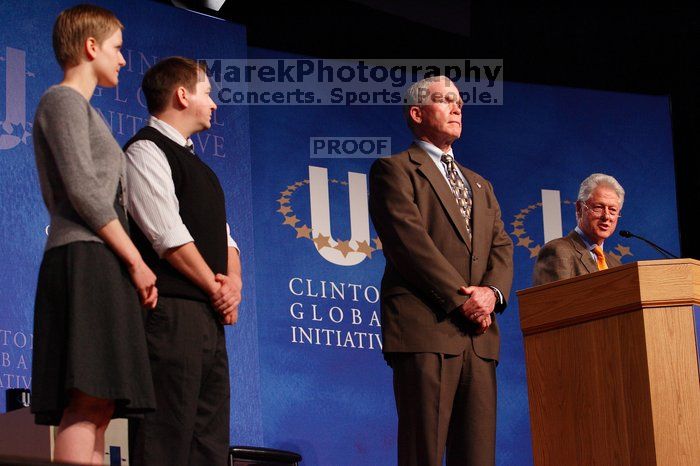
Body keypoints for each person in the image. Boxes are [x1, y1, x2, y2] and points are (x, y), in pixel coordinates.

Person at [31, 4, 158, 465]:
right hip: (83, 258)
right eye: (117, 48)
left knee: (102, 405)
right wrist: (137, 261)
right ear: (90, 47)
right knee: (85, 399)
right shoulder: (61, 100)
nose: (124, 59)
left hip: (102, 258)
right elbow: (84, 191)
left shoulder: (83, 110)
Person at [368, 76, 514, 466]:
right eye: (444, 100)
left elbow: (501, 246)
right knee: (425, 453)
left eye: (459, 102)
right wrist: (461, 300)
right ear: (416, 113)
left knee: (478, 456)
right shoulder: (394, 169)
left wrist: (491, 295)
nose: (456, 107)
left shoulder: (481, 185)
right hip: (426, 329)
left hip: (479, 340)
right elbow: (410, 245)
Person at [124, 56, 242, 466]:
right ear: (182, 94)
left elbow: (228, 240)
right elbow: (168, 238)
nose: (214, 104)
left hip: (208, 320)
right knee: (165, 438)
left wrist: (234, 287)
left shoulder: (203, 171)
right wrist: (216, 289)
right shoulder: (145, 151)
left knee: (208, 443)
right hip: (170, 318)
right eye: (207, 93)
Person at [533, 173, 624, 285]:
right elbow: (553, 301)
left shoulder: (615, 265)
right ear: (579, 208)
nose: (606, 216)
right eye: (598, 207)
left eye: (612, 210)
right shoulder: (559, 251)